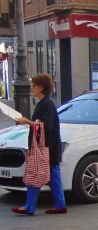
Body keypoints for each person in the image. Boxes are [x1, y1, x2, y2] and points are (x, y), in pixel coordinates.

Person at [12, 73, 67, 215]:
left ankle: (30, 206)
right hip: (47, 148)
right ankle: (57, 205)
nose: (32, 87)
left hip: (46, 148)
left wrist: (27, 122)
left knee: (36, 173)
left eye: (34, 85)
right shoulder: (44, 103)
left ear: (41, 87)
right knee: (50, 175)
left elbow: (45, 126)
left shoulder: (47, 104)